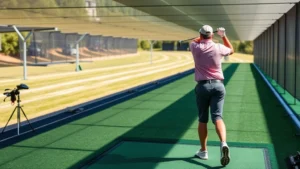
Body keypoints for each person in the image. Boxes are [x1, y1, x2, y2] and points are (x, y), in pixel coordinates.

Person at [189, 25, 234, 166]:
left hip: (202, 87)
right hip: (218, 86)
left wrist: (201, 37)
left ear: (201, 35)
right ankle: (223, 143)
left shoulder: (194, 46)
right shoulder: (219, 47)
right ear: (212, 36)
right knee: (218, 117)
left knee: (203, 119)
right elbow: (231, 50)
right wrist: (223, 35)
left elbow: (196, 40)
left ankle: (203, 151)